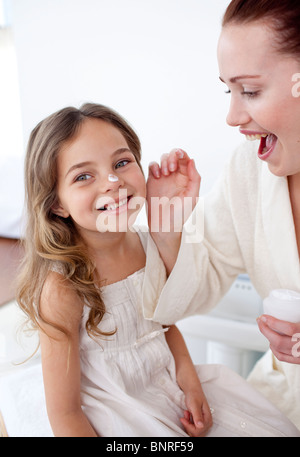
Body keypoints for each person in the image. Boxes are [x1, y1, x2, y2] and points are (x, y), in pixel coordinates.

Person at [16, 103, 299, 437]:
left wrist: (190, 382)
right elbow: (64, 411)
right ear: (56, 203)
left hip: (163, 389)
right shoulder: (63, 286)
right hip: (115, 410)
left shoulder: (148, 243)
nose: (111, 182)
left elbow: (163, 325)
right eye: (83, 176)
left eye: (121, 163)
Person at [145, 0, 300, 430]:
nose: (232, 117)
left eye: (249, 91)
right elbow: (204, 270)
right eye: (228, 91)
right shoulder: (249, 168)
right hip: (284, 403)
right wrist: (169, 228)